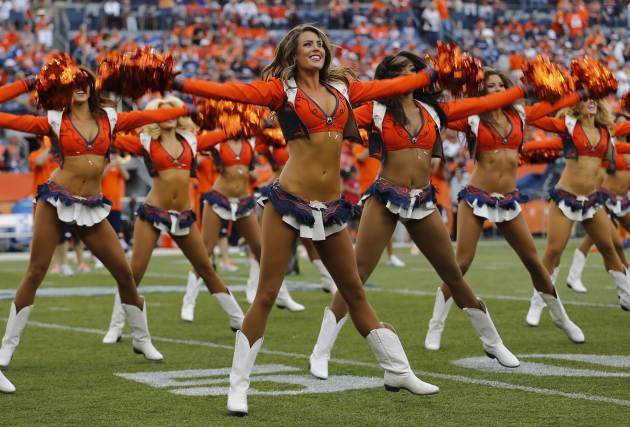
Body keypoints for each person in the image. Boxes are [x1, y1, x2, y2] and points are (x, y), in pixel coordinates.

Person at [173, 24, 444, 415]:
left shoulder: (343, 91)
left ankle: (398, 370)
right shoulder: (282, 92)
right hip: (288, 202)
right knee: (267, 294)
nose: (315, 49)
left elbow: (386, 89)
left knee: (354, 293)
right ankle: (238, 386)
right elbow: (233, 92)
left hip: (332, 206)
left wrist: (431, 76)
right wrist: (183, 83)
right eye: (307, 45)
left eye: (319, 44)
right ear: (292, 55)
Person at [308, 52, 538, 381]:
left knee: (453, 274)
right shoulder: (375, 109)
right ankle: (321, 351)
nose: (410, 74)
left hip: (422, 200)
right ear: (388, 77)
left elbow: (480, 104)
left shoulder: (434, 111)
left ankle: (492, 341)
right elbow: (332, 116)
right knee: (354, 276)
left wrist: (527, 89)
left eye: (414, 69)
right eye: (401, 70)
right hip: (386, 196)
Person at [0, 68, 191, 378]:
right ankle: (7, 345)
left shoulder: (111, 119)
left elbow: (144, 116)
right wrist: (28, 83)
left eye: (84, 83)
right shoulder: (53, 120)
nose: (80, 88)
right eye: (72, 84)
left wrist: (193, 106)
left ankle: (142, 339)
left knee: (125, 274)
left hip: (92, 206)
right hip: (56, 199)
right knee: (35, 271)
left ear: (91, 87)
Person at [424, 68, 586, 350]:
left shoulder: (520, 115)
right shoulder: (473, 118)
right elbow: (442, 112)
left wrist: (581, 94)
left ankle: (562, 318)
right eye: (490, 86)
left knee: (534, 263)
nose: (496, 89)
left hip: (509, 199)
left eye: (501, 85)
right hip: (476, 197)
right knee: (460, 264)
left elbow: (552, 105)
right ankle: (435, 325)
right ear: (482, 91)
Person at [102, 96, 245, 344]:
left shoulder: (191, 140)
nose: (169, 116)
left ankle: (238, 318)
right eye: (162, 112)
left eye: (174, 111)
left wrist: (240, 115)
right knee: (133, 272)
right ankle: (116, 325)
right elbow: (109, 137)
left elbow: (223, 134)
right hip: (153, 213)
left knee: (206, 268)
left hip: (184, 216)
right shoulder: (146, 141)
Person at [526, 100, 630, 322]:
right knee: (553, 251)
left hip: (592, 200)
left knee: (609, 248)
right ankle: (537, 301)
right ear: (577, 104)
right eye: (585, 98)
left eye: (595, 97)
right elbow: (535, 118)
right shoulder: (569, 125)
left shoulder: (607, 130)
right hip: (565, 198)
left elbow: (622, 145)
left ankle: (626, 295)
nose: (591, 102)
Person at [564, 116, 630, 293]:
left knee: (615, 244)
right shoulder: (610, 146)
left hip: (623, 201)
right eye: (621, 121)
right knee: (598, 240)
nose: (624, 125)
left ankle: (626, 282)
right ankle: (574, 275)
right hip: (606, 198)